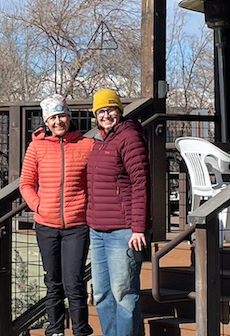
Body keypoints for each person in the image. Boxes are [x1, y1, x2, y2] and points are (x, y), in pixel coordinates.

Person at [20, 94, 94, 336]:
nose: (58, 121)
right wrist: (38, 206)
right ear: (46, 121)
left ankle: (81, 331)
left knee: (74, 283)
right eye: (53, 117)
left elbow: (95, 182)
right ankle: (55, 330)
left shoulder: (86, 145)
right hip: (46, 225)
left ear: (69, 117)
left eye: (62, 115)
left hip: (77, 226)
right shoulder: (36, 147)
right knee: (53, 283)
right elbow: (26, 184)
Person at [87, 88, 151, 336]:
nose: (106, 115)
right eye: (101, 111)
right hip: (97, 229)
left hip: (123, 231)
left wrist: (138, 228)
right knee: (102, 294)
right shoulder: (99, 140)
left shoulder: (129, 137)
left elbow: (140, 184)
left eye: (111, 109)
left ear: (120, 111)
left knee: (124, 294)